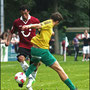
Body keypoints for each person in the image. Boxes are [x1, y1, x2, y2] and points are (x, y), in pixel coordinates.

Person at [22, 12, 77, 90]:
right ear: (57, 21)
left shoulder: (48, 23)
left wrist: (51, 33)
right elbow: (38, 25)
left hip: (34, 50)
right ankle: (73, 88)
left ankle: (23, 78)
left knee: (35, 64)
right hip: (42, 50)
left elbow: (43, 27)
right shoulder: (49, 23)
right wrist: (28, 26)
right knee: (59, 69)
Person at [5, 5, 40, 90]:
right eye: (22, 14)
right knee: (21, 58)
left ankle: (29, 82)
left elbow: (41, 30)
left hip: (34, 45)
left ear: (28, 12)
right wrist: (8, 41)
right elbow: (11, 32)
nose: (24, 15)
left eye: (25, 13)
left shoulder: (35, 20)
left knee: (35, 66)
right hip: (23, 45)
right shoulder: (17, 22)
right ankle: (29, 78)